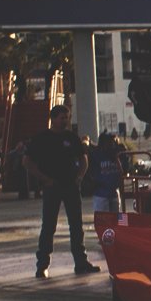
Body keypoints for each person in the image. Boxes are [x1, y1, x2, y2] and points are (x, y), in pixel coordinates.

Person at [23, 105, 100, 279]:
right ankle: (42, 265)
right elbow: (27, 161)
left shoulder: (71, 138)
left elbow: (83, 159)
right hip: (52, 187)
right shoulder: (42, 138)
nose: (65, 121)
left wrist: (80, 176)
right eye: (62, 118)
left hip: (71, 186)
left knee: (76, 225)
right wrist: (44, 179)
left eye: (67, 117)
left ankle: (81, 262)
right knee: (49, 226)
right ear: (53, 118)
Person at [88, 132, 128, 212]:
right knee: (103, 221)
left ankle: (119, 224)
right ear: (103, 143)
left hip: (115, 193)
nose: (112, 145)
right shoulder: (97, 154)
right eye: (110, 142)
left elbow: (124, 170)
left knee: (117, 219)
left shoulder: (118, 155)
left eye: (114, 142)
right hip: (100, 194)